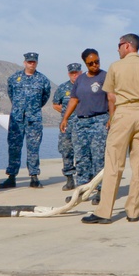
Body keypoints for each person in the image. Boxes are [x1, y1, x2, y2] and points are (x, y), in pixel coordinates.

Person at [82, 33, 139, 225]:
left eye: (119, 45)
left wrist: (113, 118)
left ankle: (104, 212)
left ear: (127, 45)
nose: (117, 49)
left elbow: (111, 97)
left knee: (114, 163)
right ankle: (134, 211)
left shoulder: (115, 67)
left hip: (123, 114)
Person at [62, 49, 110, 204]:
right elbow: (74, 100)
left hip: (99, 120)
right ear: (85, 63)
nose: (95, 65)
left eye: (97, 61)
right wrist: (65, 118)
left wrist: (112, 119)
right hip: (81, 122)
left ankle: (101, 191)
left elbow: (112, 99)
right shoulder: (80, 79)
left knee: (98, 157)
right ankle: (82, 190)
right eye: (91, 63)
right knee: (82, 158)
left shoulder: (105, 76)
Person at [0, 52, 51, 189]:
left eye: (33, 62)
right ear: (24, 62)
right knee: (14, 147)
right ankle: (11, 177)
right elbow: (11, 94)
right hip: (17, 119)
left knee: (33, 148)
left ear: (37, 63)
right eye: (29, 62)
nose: (31, 64)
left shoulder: (43, 80)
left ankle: (34, 177)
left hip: (34, 119)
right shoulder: (14, 78)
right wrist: (19, 108)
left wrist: (33, 108)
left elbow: (44, 97)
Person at [52, 63, 82, 191]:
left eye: (76, 72)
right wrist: (67, 112)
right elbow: (55, 104)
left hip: (83, 124)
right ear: (69, 74)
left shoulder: (85, 85)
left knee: (82, 152)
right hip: (67, 124)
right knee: (66, 151)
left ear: (81, 72)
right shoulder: (63, 88)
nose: (74, 75)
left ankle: (83, 179)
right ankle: (69, 179)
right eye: (72, 73)